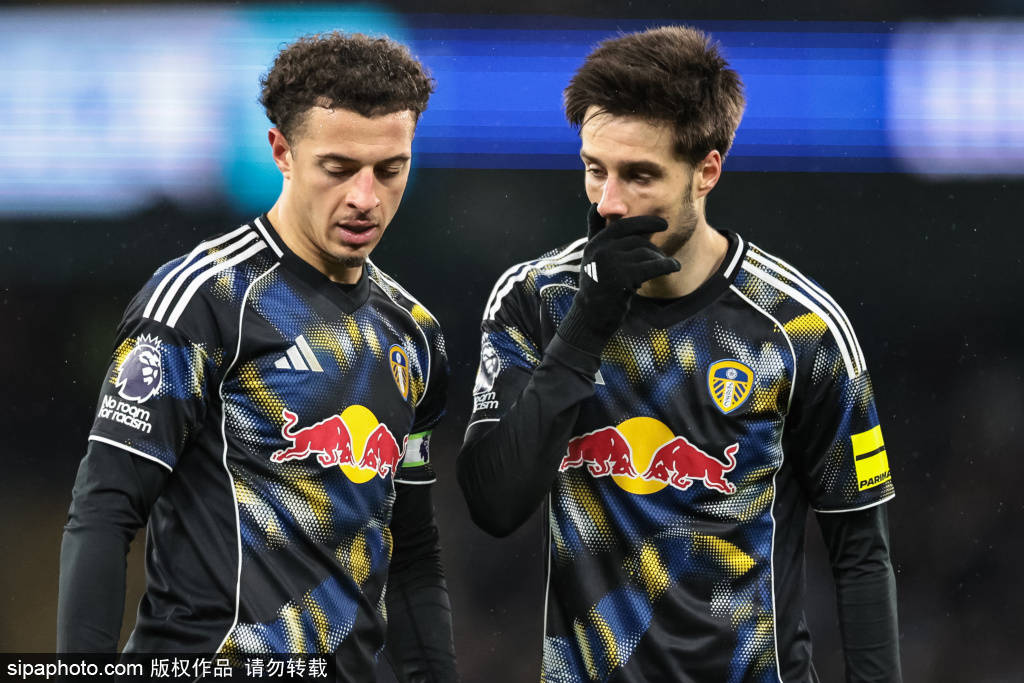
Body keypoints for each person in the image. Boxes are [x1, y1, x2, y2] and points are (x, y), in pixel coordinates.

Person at [458, 26, 901, 682]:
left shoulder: (800, 329)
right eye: (595, 169)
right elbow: (494, 504)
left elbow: (860, 553)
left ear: (707, 172)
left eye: (640, 175)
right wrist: (587, 324)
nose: (610, 203)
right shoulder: (537, 301)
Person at [57, 32, 457, 682]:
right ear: (281, 151)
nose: (365, 196)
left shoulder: (415, 335)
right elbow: (105, 508)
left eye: (390, 169)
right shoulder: (203, 301)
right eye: (338, 168)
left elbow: (412, 553)